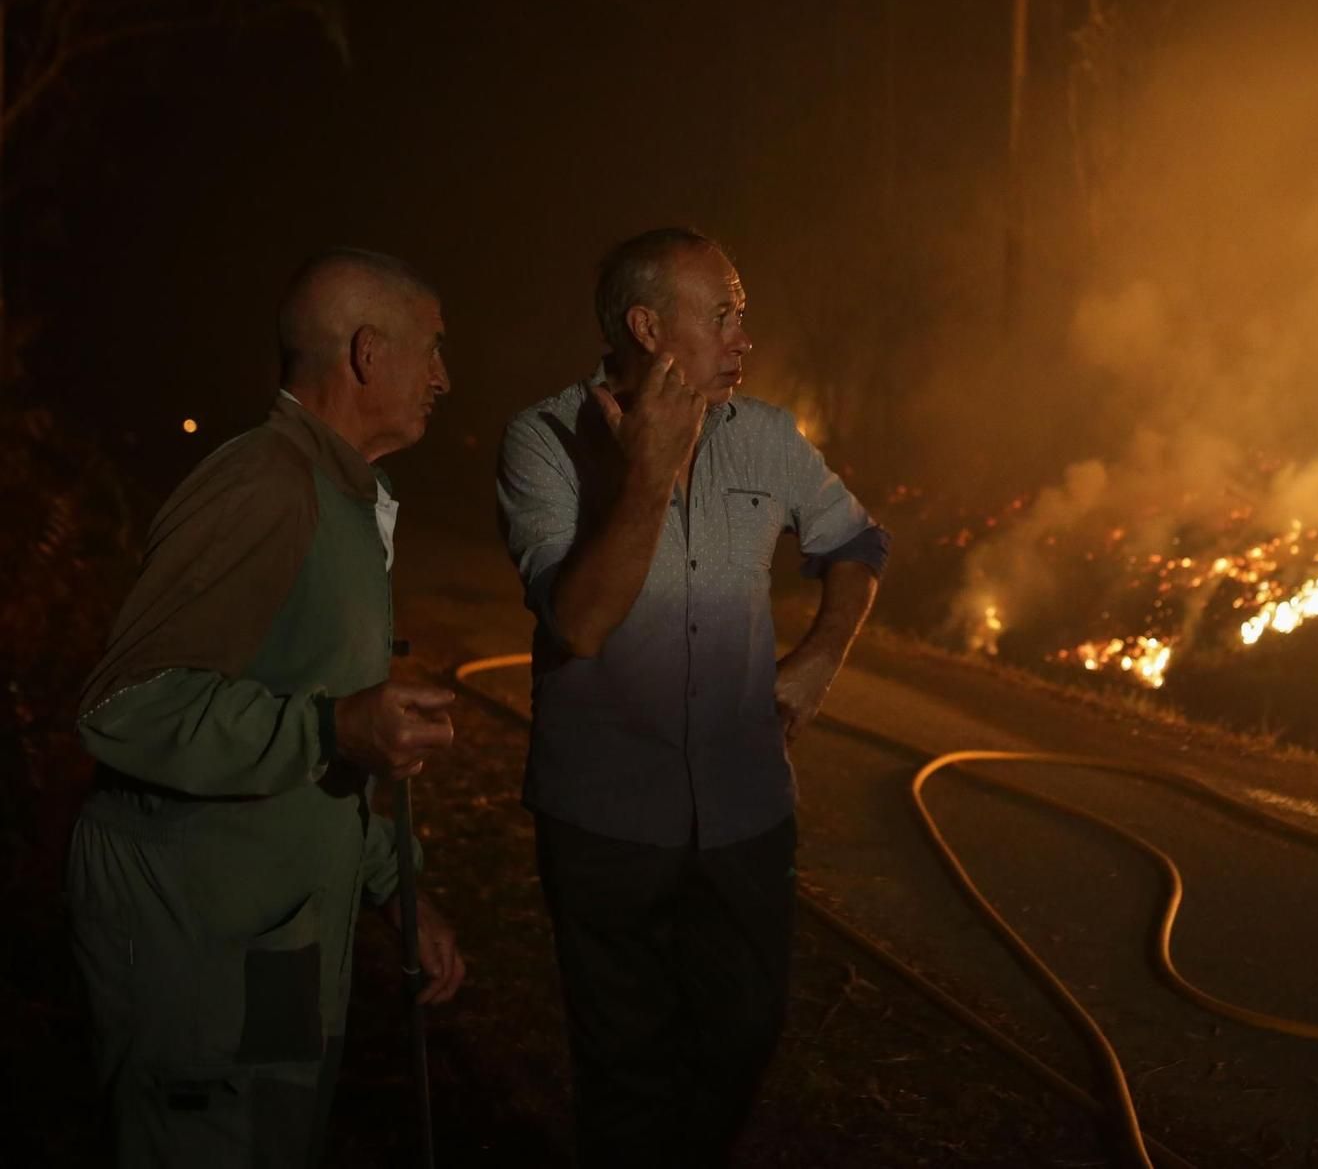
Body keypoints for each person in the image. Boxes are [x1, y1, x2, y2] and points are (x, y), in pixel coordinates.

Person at [67, 247, 468, 1167]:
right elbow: (123, 705)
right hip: (198, 941)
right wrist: (334, 726)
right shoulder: (263, 484)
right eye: (433, 349)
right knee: (205, 1142)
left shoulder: (344, 498)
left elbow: (311, 719)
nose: (446, 377)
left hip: (281, 936)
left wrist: (394, 886)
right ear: (367, 352)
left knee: (275, 1135)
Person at [496, 227, 887, 1165]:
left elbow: (858, 545)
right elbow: (580, 624)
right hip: (605, 817)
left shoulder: (767, 435)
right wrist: (649, 472)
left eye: (742, 313)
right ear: (647, 325)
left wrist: (821, 656)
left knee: (743, 1035)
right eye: (722, 313)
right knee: (625, 1064)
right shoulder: (543, 441)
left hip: (746, 810)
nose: (743, 336)